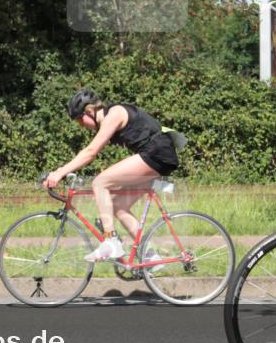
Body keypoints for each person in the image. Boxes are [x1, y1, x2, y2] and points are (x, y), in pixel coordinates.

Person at [43, 89, 179, 262]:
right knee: (118, 207)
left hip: (157, 153)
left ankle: (111, 241)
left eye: (80, 119)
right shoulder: (109, 118)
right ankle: (151, 257)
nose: (81, 125)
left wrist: (60, 172)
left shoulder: (114, 114)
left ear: (89, 111)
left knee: (100, 182)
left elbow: (90, 152)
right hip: (158, 155)